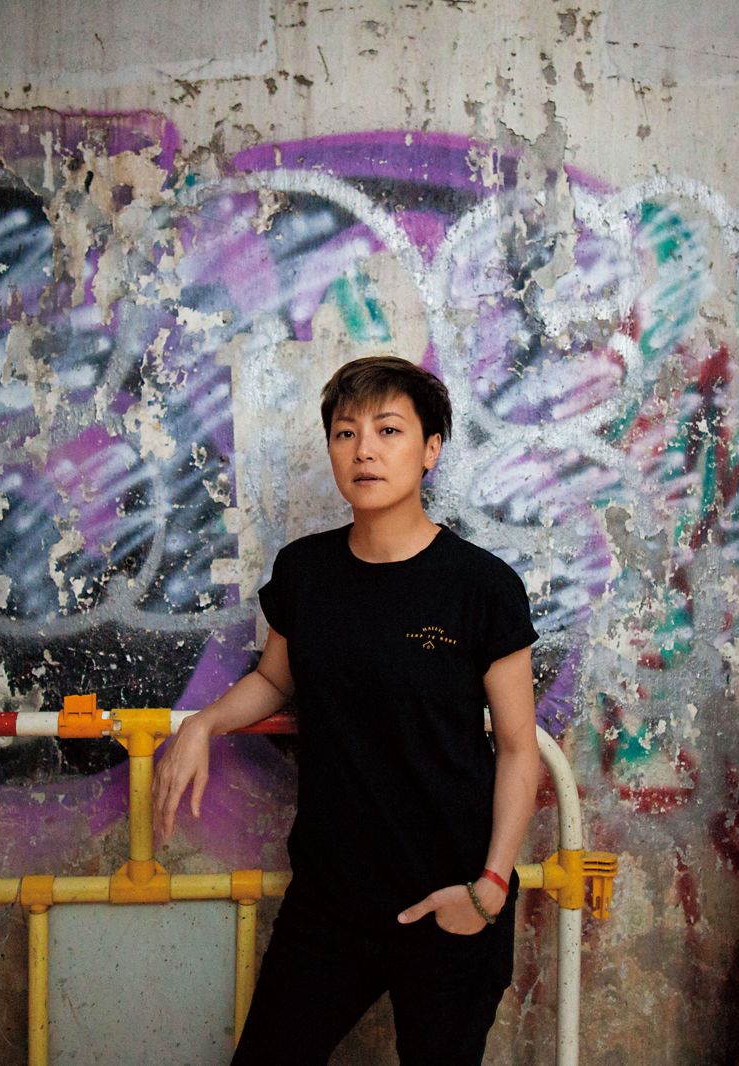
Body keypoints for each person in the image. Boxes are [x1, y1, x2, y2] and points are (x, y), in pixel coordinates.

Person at [152, 355, 541, 1065]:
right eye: (345, 432)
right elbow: (275, 680)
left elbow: (518, 747)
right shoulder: (306, 572)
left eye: (389, 430)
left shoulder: (479, 587)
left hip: (451, 896)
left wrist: (488, 888)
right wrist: (203, 722)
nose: (364, 450)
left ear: (430, 450)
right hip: (331, 902)